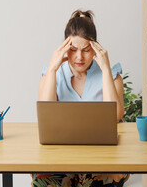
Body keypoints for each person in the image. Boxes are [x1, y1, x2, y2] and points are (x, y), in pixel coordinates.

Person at [32, 10, 130, 187]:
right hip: (61, 156)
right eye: (73, 50)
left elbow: (115, 115)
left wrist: (106, 69)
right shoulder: (51, 75)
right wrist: (53, 70)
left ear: (95, 49)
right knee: (42, 181)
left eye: (86, 50)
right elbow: (44, 116)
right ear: (63, 49)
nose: (79, 57)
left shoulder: (111, 76)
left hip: (101, 156)